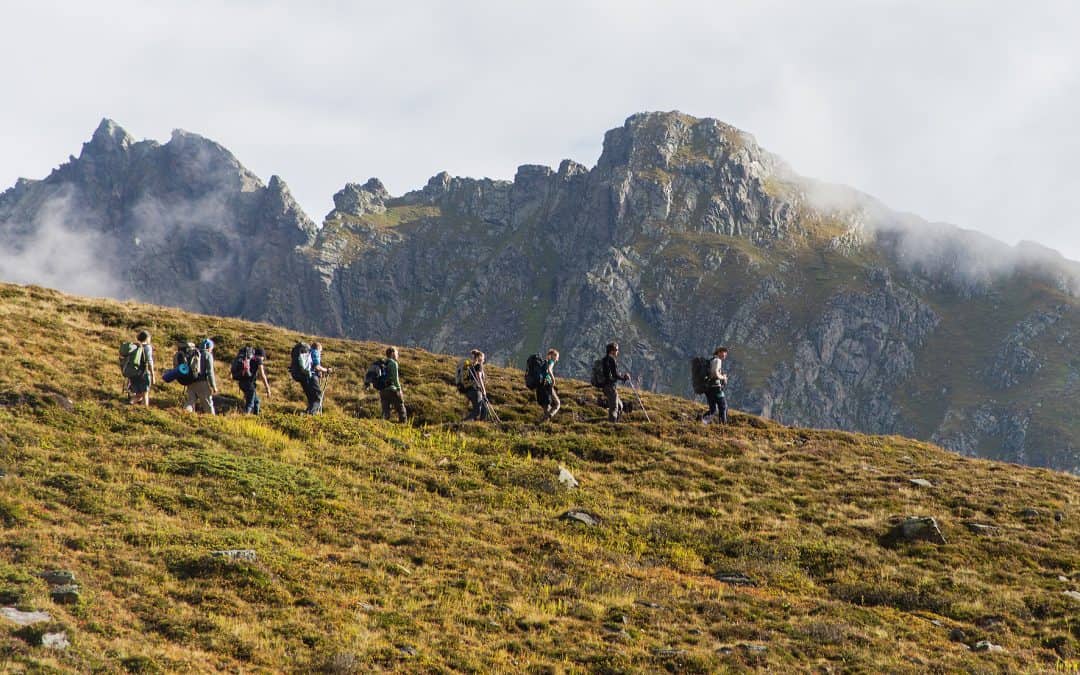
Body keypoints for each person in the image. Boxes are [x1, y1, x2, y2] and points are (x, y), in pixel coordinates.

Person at [181, 338, 217, 415]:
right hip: (202, 383)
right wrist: (213, 386)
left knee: (190, 401)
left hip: (190, 381)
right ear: (208, 347)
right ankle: (213, 420)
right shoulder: (207, 355)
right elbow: (210, 372)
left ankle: (182, 416)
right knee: (207, 403)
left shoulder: (193, 353)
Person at [601, 342, 631, 422]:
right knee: (614, 407)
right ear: (612, 351)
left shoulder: (604, 359)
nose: (617, 351)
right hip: (610, 387)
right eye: (616, 350)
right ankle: (612, 426)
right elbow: (614, 375)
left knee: (620, 406)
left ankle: (615, 422)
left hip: (606, 386)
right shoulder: (612, 360)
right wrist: (624, 378)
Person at [237, 347, 271, 415]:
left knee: (257, 401)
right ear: (262, 355)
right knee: (250, 404)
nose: (263, 360)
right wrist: (267, 388)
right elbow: (262, 375)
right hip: (249, 385)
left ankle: (256, 417)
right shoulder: (258, 360)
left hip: (241, 383)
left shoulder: (249, 358)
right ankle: (245, 418)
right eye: (263, 358)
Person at [127, 330, 155, 407]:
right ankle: (144, 411)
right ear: (147, 338)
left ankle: (130, 403)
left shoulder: (134, 346)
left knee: (139, 394)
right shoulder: (147, 347)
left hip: (133, 373)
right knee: (145, 394)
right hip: (144, 373)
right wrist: (153, 375)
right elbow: (149, 361)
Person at [380, 346, 407, 423]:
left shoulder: (384, 362)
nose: (398, 355)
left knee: (385, 412)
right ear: (392, 353)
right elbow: (396, 379)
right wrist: (399, 390)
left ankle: (383, 427)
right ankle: (403, 426)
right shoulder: (393, 363)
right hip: (392, 390)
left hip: (382, 390)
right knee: (401, 409)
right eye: (396, 353)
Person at [703, 346, 729, 425]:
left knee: (713, 410)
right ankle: (723, 426)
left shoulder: (711, 360)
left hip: (708, 388)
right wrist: (723, 377)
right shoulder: (718, 360)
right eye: (724, 352)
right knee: (723, 406)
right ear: (719, 352)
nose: (725, 355)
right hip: (716, 388)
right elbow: (715, 373)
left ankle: (701, 421)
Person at [462, 349, 490, 421]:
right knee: (477, 411)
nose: (484, 360)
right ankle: (463, 422)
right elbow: (479, 378)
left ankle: (480, 423)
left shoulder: (471, 367)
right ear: (480, 358)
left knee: (484, 408)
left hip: (470, 390)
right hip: (476, 390)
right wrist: (483, 390)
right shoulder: (479, 366)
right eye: (483, 358)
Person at [304, 341, 330, 415]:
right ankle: (312, 414)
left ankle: (308, 412)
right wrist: (326, 370)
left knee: (312, 397)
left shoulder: (308, 353)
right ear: (319, 348)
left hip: (305, 377)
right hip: (312, 376)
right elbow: (317, 366)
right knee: (318, 396)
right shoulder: (315, 352)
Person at [538, 348, 560, 422]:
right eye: (557, 357)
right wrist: (553, 379)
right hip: (547, 384)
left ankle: (543, 422)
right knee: (557, 403)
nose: (557, 359)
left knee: (546, 405)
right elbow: (549, 370)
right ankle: (547, 418)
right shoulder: (551, 362)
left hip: (541, 385)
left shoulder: (545, 361)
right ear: (553, 356)